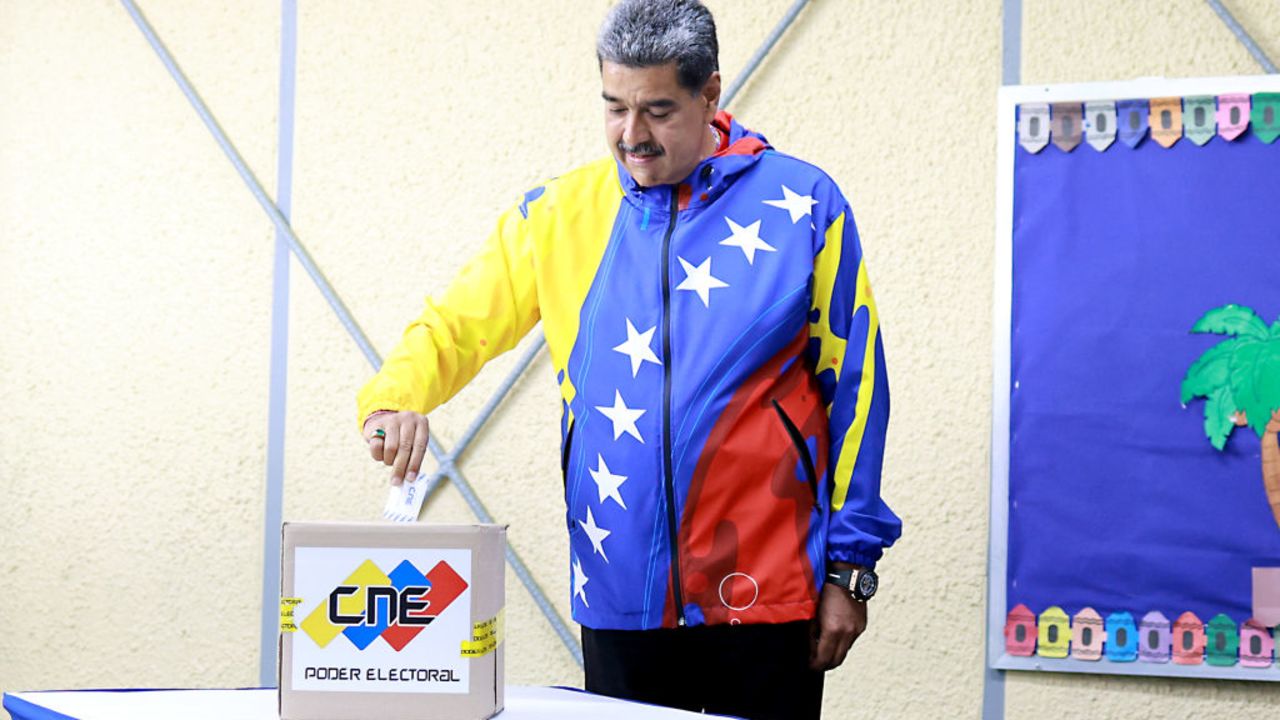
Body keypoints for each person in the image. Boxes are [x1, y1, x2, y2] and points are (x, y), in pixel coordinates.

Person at [356, 1, 901, 717]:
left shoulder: (804, 203)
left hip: (767, 594)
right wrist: (395, 397)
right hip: (621, 597)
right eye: (614, 108)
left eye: (658, 110)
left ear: (710, 95)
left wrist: (850, 567)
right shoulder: (557, 215)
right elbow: (457, 324)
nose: (631, 136)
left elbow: (856, 391)